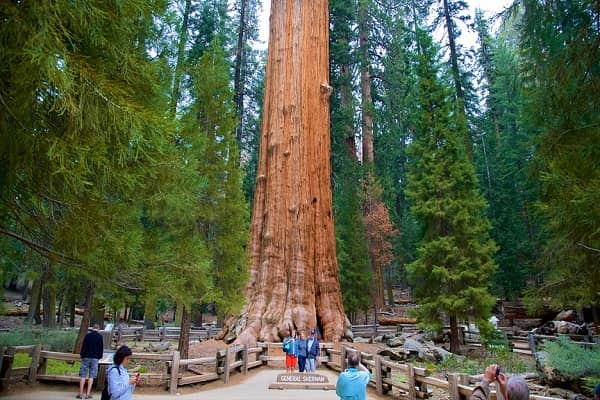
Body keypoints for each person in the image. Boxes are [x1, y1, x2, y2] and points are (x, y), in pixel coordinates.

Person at [78, 324, 104, 399]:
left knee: (83, 375)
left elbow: (83, 347)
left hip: (86, 357)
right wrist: (99, 357)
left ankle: (80, 393)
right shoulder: (100, 337)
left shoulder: (87, 336)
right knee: (91, 376)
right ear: (98, 329)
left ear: (92, 329)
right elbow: (101, 349)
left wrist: (82, 355)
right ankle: (88, 394)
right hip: (95, 358)